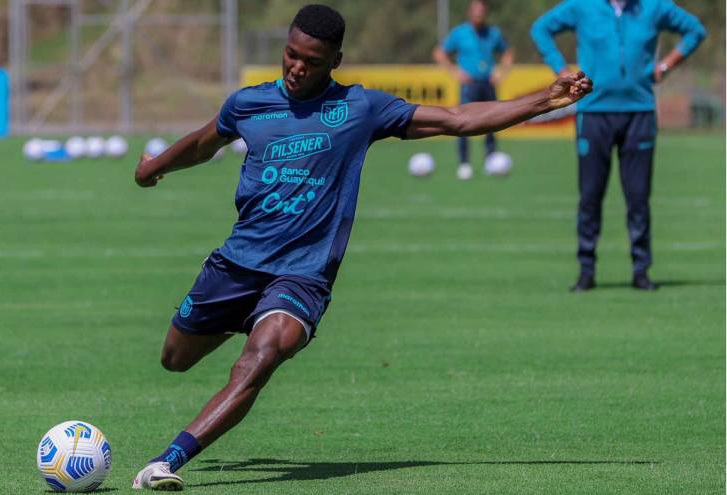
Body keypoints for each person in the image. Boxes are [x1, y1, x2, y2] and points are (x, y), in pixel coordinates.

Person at [130, 4, 592, 491]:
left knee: (261, 356)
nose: (296, 68)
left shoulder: (359, 109)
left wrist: (545, 100)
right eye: (290, 55)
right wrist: (152, 167)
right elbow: (205, 143)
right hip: (236, 264)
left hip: (303, 276)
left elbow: (457, 119)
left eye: (310, 60)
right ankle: (244, 313)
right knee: (175, 359)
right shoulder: (249, 103)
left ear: (335, 60)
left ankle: (165, 462)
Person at [531, 0, 706, 291]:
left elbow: (695, 31)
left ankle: (641, 270)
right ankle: (586, 270)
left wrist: (666, 65)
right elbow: (541, 29)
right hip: (593, 113)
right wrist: (560, 69)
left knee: (638, 198)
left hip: (639, 112)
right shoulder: (581, 6)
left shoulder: (654, 7)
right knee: (590, 197)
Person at [433, 0, 513, 180]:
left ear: (485, 13)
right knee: (462, 122)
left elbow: (507, 53)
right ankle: (464, 164)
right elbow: (439, 53)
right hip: (469, 85)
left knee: (493, 122)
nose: (478, 15)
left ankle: (491, 161)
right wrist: (455, 72)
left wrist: (501, 73)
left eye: (481, 11)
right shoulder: (460, 33)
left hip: (488, 84)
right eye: (475, 11)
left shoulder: (493, 33)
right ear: (470, 13)